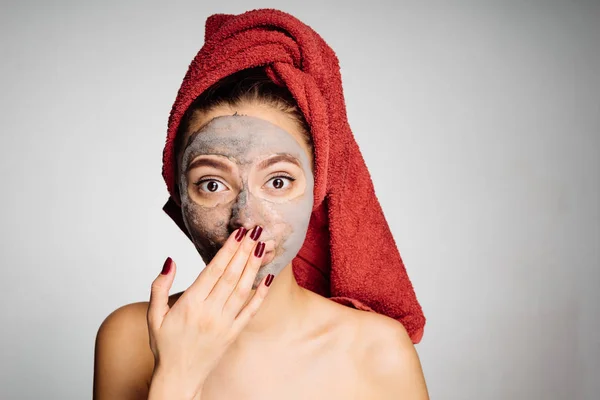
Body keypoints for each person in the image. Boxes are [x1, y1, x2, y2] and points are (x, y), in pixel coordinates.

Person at [94, 10, 428, 400]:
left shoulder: (378, 351)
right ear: (179, 198)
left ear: (318, 190)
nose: (246, 218)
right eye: (213, 183)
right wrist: (177, 376)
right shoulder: (128, 337)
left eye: (278, 181)